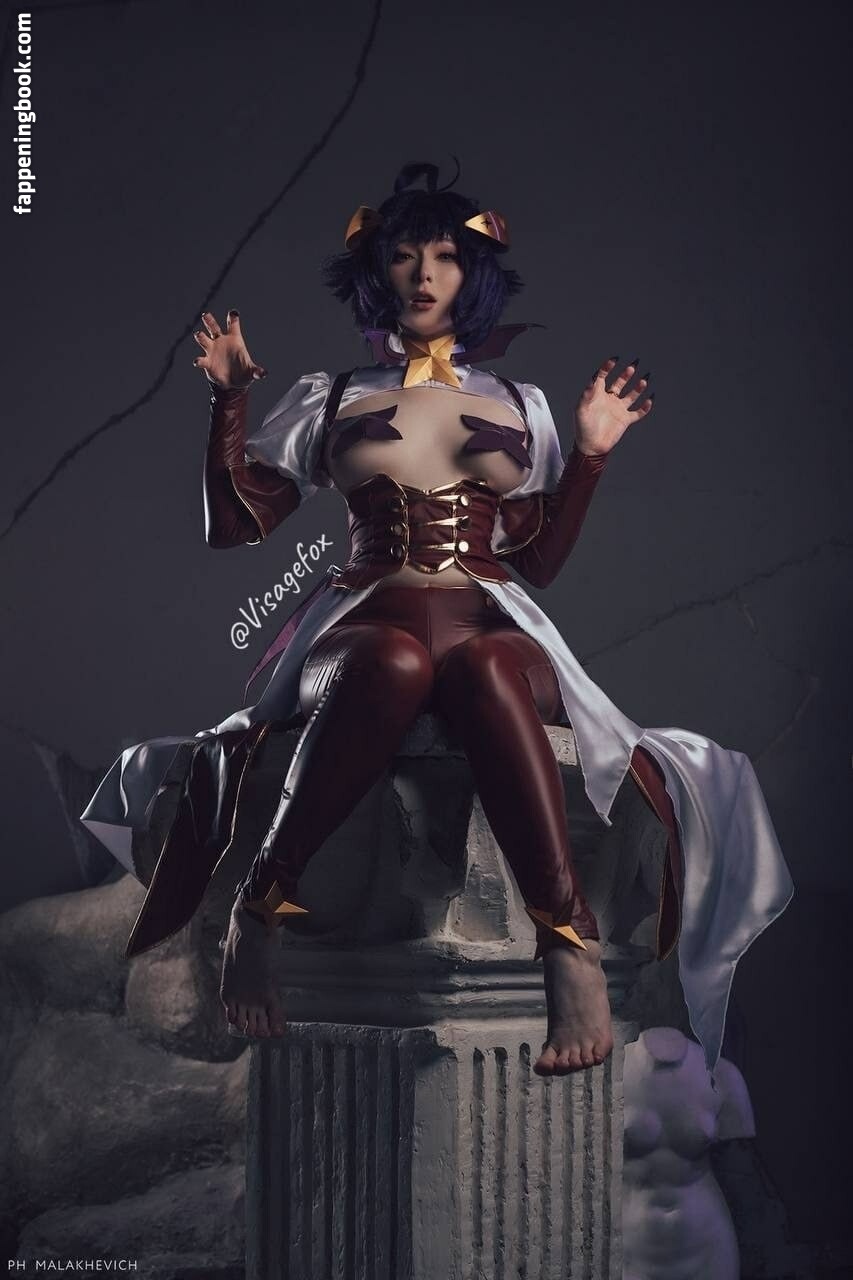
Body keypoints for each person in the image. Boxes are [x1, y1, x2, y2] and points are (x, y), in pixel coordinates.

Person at [81, 162, 793, 1078]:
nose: (424, 274)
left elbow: (536, 561)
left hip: (487, 616)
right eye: (405, 255)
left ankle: (566, 942)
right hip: (361, 617)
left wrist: (588, 457)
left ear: (472, 274)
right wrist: (229, 402)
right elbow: (234, 523)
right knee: (391, 662)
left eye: (446, 257)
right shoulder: (331, 396)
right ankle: (260, 909)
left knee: (488, 668)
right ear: (377, 270)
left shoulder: (521, 406)